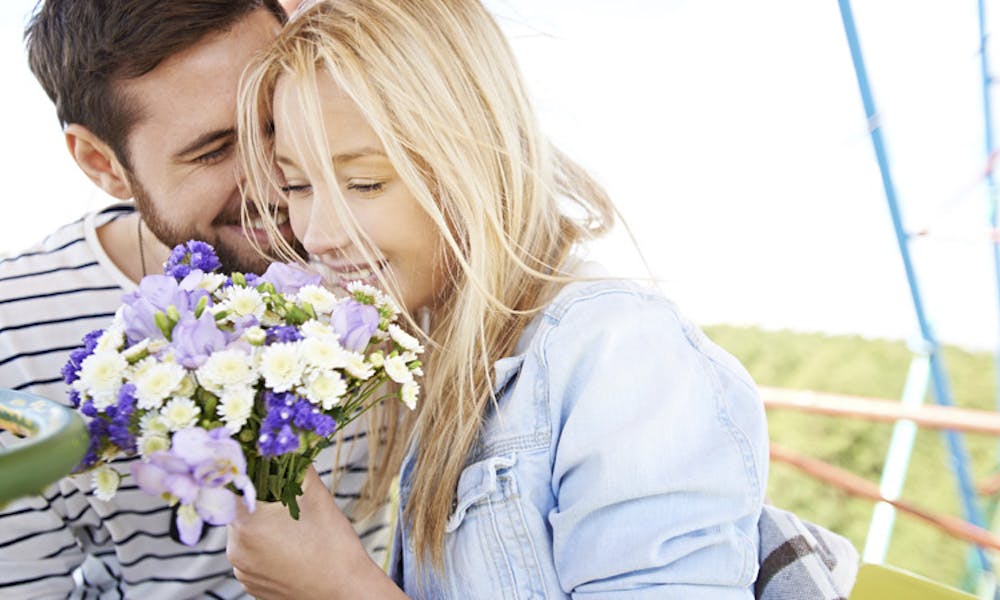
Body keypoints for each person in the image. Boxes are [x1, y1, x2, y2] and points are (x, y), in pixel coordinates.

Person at [226, 1, 770, 598]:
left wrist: (342, 588)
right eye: (298, 186)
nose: (319, 235)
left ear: (472, 159)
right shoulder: (453, 362)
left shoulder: (619, 353)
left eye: (365, 183)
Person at [0, 1, 391, 597]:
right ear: (103, 163)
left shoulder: (387, 256)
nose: (272, 187)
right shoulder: (15, 340)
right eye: (212, 151)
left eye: (274, 121)